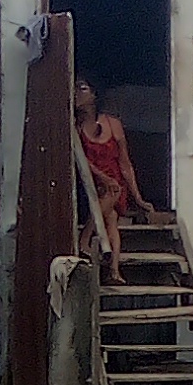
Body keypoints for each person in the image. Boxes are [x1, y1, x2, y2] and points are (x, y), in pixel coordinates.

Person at [74, 77, 145, 282]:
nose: (76, 93)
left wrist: (138, 199)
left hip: (114, 184)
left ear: (94, 95)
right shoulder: (76, 126)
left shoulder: (112, 124)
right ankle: (113, 269)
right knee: (111, 215)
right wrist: (103, 178)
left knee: (114, 199)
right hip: (91, 182)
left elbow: (125, 163)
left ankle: (87, 240)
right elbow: (82, 161)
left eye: (82, 88)